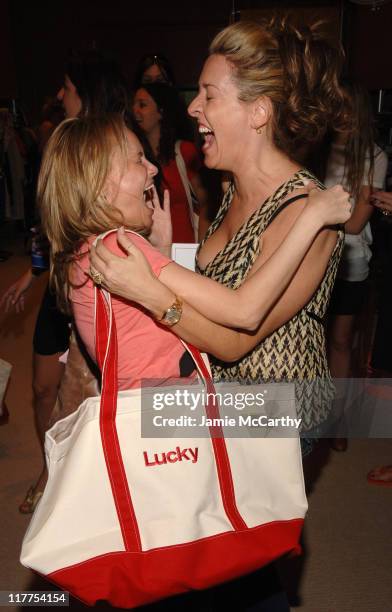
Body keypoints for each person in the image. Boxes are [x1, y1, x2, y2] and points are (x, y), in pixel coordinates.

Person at [41, 111, 348, 611]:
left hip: (154, 424)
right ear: (100, 190)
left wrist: (161, 255)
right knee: (228, 549)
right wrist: (311, 217)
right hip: (176, 430)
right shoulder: (123, 246)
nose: (151, 170)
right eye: (136, 160)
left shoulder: (83, 253)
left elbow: (142, 331)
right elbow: (242, 311)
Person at [0, 50, 147, 514]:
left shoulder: (118, 148)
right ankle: (52, 462)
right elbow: (53, 222)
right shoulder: (61, 145)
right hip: (64, 283)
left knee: (94, 396)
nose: (59, 95)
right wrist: (33, 272)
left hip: (107, 281)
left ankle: (86, 481)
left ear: (86, 94)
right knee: (44, 386)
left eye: (66, 88)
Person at [324, 82, 388, 451]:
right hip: (308, 259)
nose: (341, 116)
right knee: (308, 341)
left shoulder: (374, 156)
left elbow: (354, 223)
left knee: (341, 341)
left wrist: (315, 209)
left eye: (348, 108)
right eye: (337, 107)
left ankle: (337, 418)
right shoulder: (314, 152)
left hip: (351, 262)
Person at [132, 82, 210, 241]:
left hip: (183, 251)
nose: (135, 110)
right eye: (133, 104)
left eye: (142, 105)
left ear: (161, 112)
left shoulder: (183, 151)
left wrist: (201, 248)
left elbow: (206, 204)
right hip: (149, 249)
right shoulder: (135, 159)